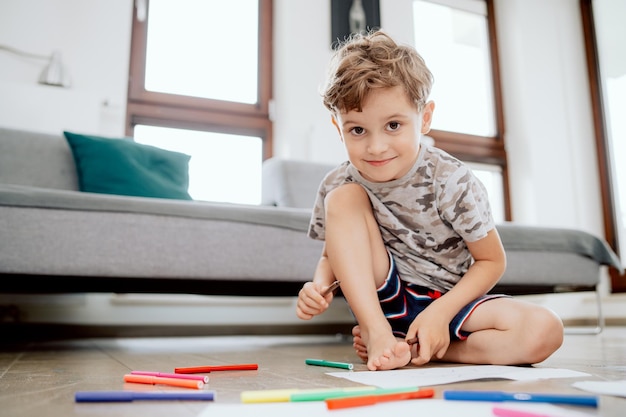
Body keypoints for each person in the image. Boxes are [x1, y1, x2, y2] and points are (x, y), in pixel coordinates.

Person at [296, 30, 564, 371]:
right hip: (384, 299)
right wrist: (318, 285)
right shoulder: (337, 182)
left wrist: (440, 314)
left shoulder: (451, 179)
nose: (376, 147)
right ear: (338, 128)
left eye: (393, 125)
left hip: (451, 301)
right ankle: (380, 333)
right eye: (357, 130)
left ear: (424, 118)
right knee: (343, 198)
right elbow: (329, 257)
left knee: (545, 329)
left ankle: (423, 346)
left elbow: (492, 262)